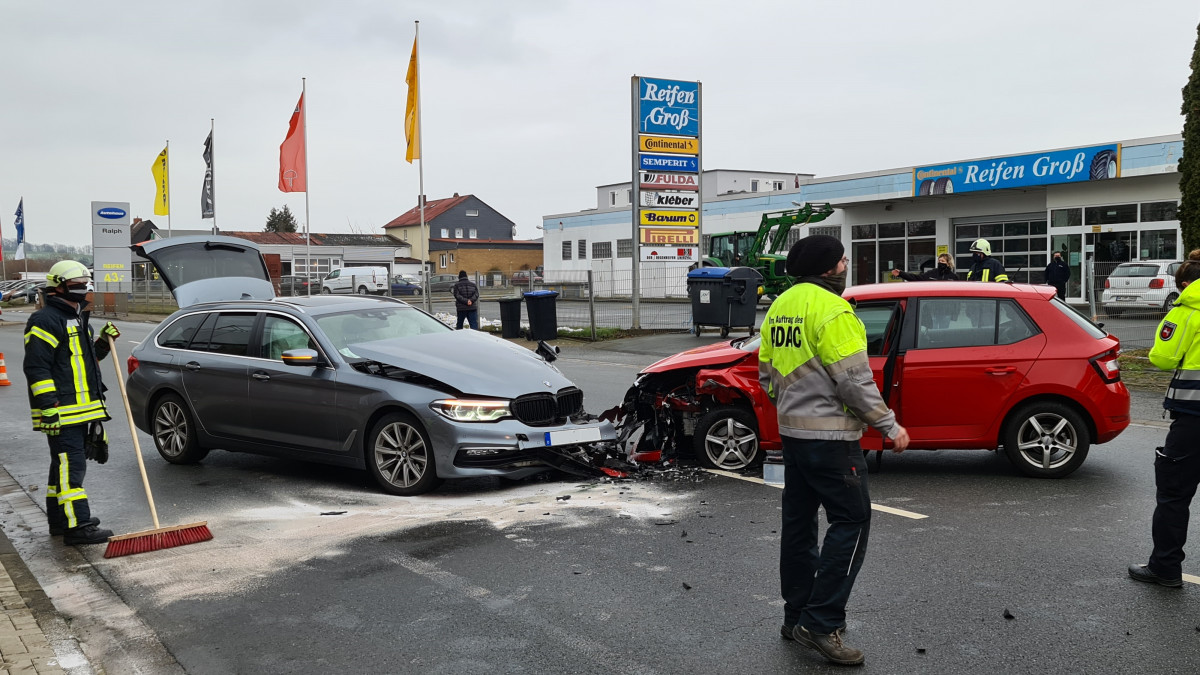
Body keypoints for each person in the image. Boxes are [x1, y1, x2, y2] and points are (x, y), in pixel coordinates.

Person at [759, 234, 910, 666]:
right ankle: (822, 623)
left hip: (794, 435)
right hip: (832, 440)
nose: (847, 266)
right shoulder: (834, 310)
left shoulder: (781, 306)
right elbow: (854, 381)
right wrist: (888, 424)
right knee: (853, 520)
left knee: (799, 525)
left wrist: (791, 408)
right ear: (830, 268)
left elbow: (767, 372)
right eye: (844, 261)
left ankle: (795, 618)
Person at [22, 260, 119, 546]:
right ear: (59, 286)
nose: (85, 288)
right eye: (78, 283)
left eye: (87, 282)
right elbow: (37, 369)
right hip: (60, 411)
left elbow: (86, 363)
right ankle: (78, 526)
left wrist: (102, 343)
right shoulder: (44, 321)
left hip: (79, 410)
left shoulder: (78, 319)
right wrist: (49, 407)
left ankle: (60, 520)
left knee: (61, 466)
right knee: (71, 466)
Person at [1129, 249, 1200, 588]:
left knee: (1174, 494)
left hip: (1193, 418)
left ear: (1184, 284)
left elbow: (1162, 358)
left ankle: (1165, 567)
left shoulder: (1185, 312)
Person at [891, 253, 956, 281]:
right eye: (939, 261)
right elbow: (916, 278)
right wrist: (901, 274)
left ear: (948, 263)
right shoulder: (931, 273)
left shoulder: (953, 277)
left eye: (942, 261)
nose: (940, 263)